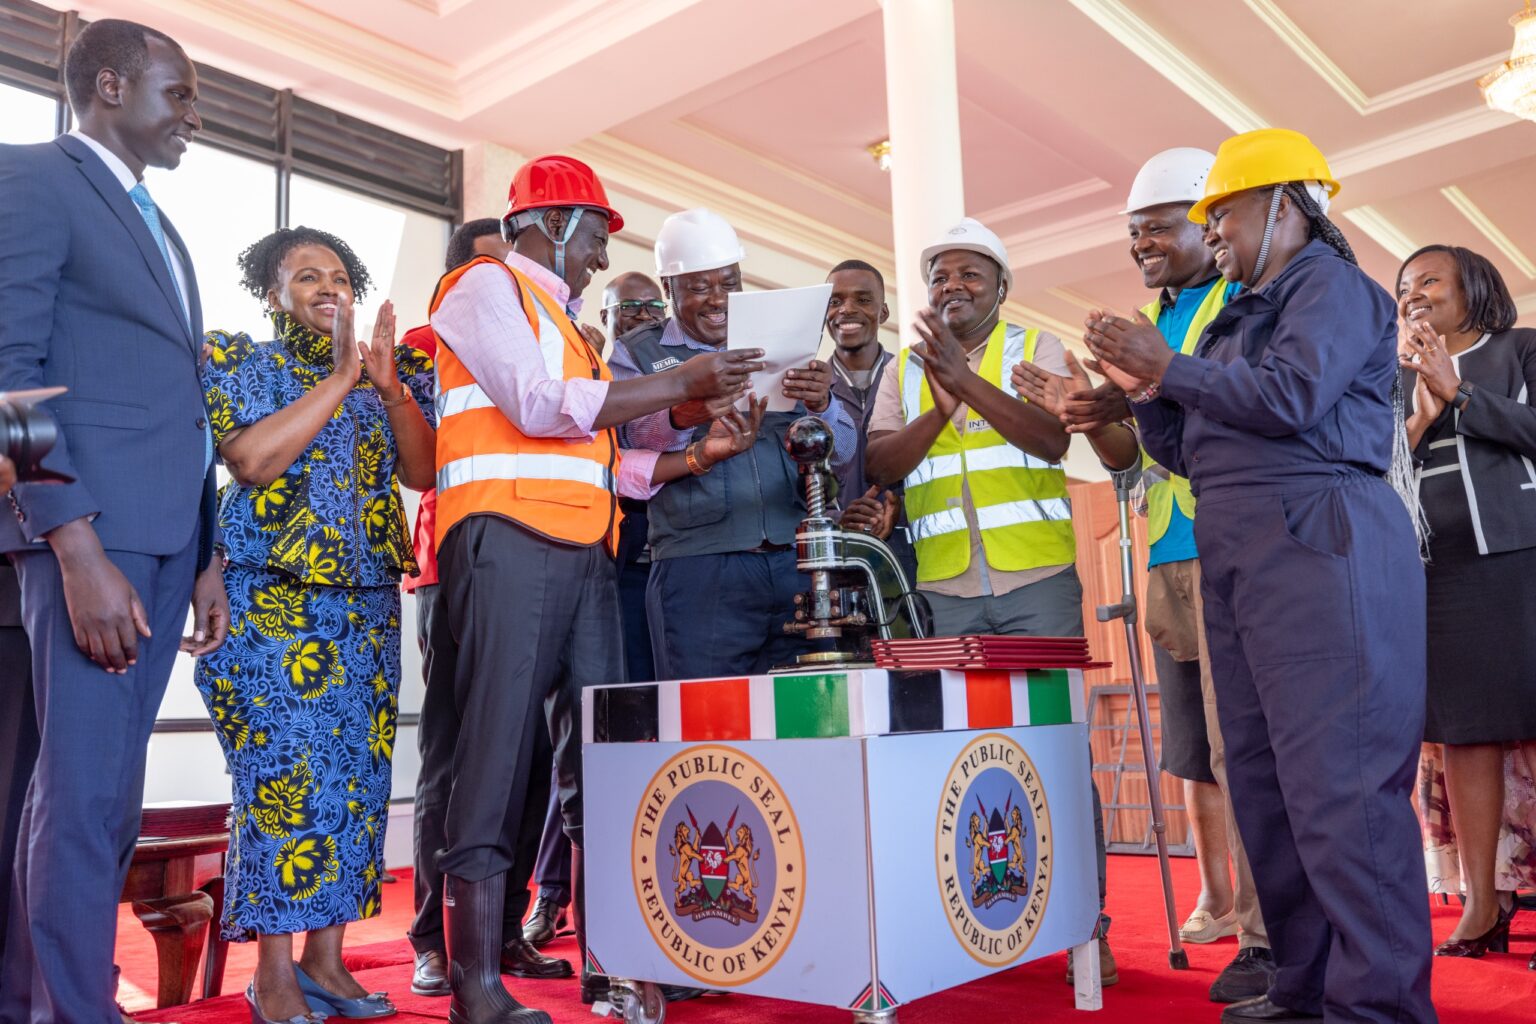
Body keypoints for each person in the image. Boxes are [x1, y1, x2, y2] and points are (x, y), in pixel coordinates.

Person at [1088, 128, 1435, 1024]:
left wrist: (1169, 366)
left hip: (1322, 540)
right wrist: (1121, 404)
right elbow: (1191, 449)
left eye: (1226, 214)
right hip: (1242, 549)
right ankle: (1306, 985)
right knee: (1265, 783)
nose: (1218, 236)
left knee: (1340, 784)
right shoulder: (1239, 317)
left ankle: (1381, 1005)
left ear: (1286, 205)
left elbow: (1290, 400)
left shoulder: (1333, 288)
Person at [423, 156, 765, 1024]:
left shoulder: (573, 327)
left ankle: (616, 964)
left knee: (606, 761)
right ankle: (473, 986)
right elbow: (540, 408)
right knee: (495, 757)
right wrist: (680, 383)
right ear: (557, 221)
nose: (602, 261)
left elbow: (610, 460)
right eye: (598, 239)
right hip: (505, 542)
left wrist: (700, 449)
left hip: (584, 553)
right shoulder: (481, 286)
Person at [0, 21, 230, 1024]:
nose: (191, 115)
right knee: (87, 801)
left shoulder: (159, 225)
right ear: (107, 85)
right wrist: (74, 537)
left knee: (79, 799)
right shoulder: (36, 179)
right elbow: (11, 376)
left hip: (164, 535)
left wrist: (208, 552)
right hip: (92, 537)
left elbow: (178, 399)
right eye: (176, 95)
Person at [1020, 148, 1273, 1004]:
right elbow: (1135, 457)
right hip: (1168, 553)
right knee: (1202, 749)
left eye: (1158, 228)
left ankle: (1270, 936)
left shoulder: (1246, 302)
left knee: (1251, 748)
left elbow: (1247, 408)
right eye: (1134, 234)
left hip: (1235, 543)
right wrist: (1092, 414)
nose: (1142, 246)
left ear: (1209, 226)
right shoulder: (1153, 322)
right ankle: (1236, 908)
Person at [863, 217, 1136, 987]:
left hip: (1036, 586)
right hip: (946, 593)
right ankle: (978, 918)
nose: (952, 287)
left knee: (1055, 754)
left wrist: (966, 380)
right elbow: (881, 460)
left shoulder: (1034, 349)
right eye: (940, 276)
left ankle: (1089, 922)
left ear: (1001, 287)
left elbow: (1052, 442)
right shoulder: (904, 371)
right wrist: (942, 403)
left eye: (969, 275)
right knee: (956, 762)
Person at [195, 226, 435, 1023]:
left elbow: (422, 472)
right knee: (282, 786)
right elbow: (252, 460)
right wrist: (338, 379)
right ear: (273, 293)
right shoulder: (242, 361)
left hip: (364, 604)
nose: (327, 288)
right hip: (271, 604)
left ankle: (328, 964)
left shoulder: (384, 377)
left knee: (354, 786)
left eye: (338, 276)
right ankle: (272, 976)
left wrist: (387, 386)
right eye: (306, 277)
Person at [405, 219, 574, 995]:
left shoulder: (553, 331)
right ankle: (433, 939)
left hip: (538, 556)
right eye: (488, 269)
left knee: (530, 755)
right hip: (454, 565)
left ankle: (504, 931)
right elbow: (416, 462)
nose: (504, 285)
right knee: (454, 757)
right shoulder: (424, 346)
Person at [610, 207, 858, 680]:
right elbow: (627, 439)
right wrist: (686, 411)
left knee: (797, 716)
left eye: (728, 282)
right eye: (699, 286)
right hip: (699, 567)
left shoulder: (781, 336)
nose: (717, 299)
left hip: (793, 565)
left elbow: (843, 450)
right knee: (706, 719)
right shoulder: (639, 352)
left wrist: (822, 404)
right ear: (669, 289)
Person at [1397, 243, 1536, 966]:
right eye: (1403, 286)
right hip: (1435, 575)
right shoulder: (1388, 379)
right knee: (1466, 735)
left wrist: (1460, 394)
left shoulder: (1522, 350)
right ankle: (1483, 905)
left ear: (1473, 286)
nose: (1413, 292)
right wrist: (1415, 419)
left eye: (1429, 280)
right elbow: (1374, 467)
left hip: (1522, 562)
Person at [822, 260, 915, 566]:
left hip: (913, 554)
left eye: (862, 300)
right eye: (834, 301)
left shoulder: (916, 380)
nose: (846, 309)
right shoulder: (804, 389)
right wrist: (837, 518)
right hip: (834, 557)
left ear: (883, 312)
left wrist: (901, 506)